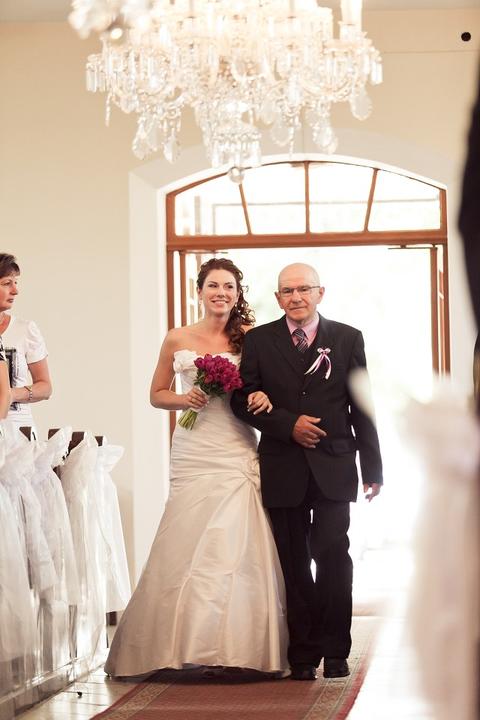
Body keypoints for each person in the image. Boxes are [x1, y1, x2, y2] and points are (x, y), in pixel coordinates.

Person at [104, 257, 288, 678]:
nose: (221, 293)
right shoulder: (177, 337)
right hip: (193, 446)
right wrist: (183, 399)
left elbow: (270, 389)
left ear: (238, 294)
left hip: (234, 443)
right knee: (184, 534)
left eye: (229, 287)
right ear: (199, 291)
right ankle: (178, 645)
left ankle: (237, 646)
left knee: (234, 539)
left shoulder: (253, 339)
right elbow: (156, 393)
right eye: (213, 286)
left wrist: (263, 398)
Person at [231, 262, 383, 681]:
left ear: (320, 293)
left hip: (335, 463)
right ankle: (302, 653)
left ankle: (335, 651)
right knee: (293, 561)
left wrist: (372, 468)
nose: (296, 297)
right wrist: (287, 424)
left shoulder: (348, 338)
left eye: (303, 289)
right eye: (287, 291)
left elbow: (362, 404)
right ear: (278, 298)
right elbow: (242, 400)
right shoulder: (259, 341)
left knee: (333, 555)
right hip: (283, 464)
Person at [0, 253, 52, 427]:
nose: (15, 290)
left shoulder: (25, 329)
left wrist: (11, 394)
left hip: (19, 433)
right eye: (7, 283)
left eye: (15, 283)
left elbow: (45, 387)